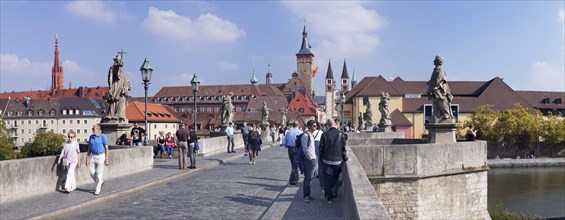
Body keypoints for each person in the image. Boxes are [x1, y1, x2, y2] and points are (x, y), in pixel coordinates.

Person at [319, 118, 347, 203]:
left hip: (326, 159)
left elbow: (321, 148)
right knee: (335, 177)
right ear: (335, 123)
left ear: (327, 125)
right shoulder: (341, 134)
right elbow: (343, 148)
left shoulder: (324, 134)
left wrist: (321, 158)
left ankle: (329, 197)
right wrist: (344, 157)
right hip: (337, 160)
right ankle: (328, 192)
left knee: (327, 179)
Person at [104, 53, 131, 123]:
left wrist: (125, 88)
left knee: (122, 100)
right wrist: (118, 64)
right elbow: (115, 72)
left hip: (120, 89)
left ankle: (120, 115)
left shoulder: (124, 77)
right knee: (113, 101)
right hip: (115, 87)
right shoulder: (113, 68)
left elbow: (127, 84)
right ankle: (113, 115)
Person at [427, 55, 454, 121]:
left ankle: (445, 113)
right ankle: (437, 114)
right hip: (434, 87)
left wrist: (436, 87)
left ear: (438, 61)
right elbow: (433, 79)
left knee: (441, 99)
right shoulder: (435, 69)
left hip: (440, 87)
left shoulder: (440, 69)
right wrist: (430, 83)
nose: (433, 61)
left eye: (435, 60)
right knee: (435, 101)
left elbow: (440, 79)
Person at [86, 124, 109, 195]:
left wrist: (107, 159)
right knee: (91, 172)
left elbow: (106, 148)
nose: (92, 130)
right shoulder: (91, 137)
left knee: (99, 173)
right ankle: (100, 182)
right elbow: (89, 147)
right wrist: (87, 157)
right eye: (92, 129)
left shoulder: (103, 137)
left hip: (101, 156)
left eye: (94, 129)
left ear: (98, 130)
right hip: (93, 155)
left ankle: (97, 189)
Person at [301, 120, 318, 203]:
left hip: (313, 159)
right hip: (309, 160)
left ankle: (308, 194)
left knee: (310, 178)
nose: (316, 127)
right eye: (314, 126)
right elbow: (304, 148)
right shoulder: (305, 135)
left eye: (316, 125)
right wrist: (309, 158)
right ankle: (306, 196)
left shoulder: (311, 134)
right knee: (307, 178)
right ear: (309, 126)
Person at [283, 121, 302, 185]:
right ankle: (292, 180)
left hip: (290, 149)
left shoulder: (289, 132)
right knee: (295, 165)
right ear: (298, 125)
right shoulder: (300, 132)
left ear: (293, 125)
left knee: (293, 164)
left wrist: (287, 146)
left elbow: (284, 142)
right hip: (297, 149)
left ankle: (296, 178)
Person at [312, 121, 324, 197]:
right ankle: (318, 173)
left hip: (314, 143)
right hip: (319, 144)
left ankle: (315, 173)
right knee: (319, 159)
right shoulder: (321, 132)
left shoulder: (313, 132)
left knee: (315, 159)